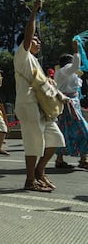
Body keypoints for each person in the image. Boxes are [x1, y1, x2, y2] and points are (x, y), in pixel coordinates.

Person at [13, 0, 65, 192]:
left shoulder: (35, 62)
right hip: (28, 105)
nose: (38, 42)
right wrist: (33, 13)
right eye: (35, 40)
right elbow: (28, 37)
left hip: (42, 108)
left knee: (56, 140)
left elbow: (43, 85)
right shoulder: (21, 55)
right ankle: (30, 180)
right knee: (34, 144)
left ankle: (39, 172)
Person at [54, 40, 88, 169]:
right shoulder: (65, 70)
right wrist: (76, 51)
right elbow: (74, 66)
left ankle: (60, 159)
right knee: (83, 131)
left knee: (64, 131)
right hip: (69, 104)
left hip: (69, 104)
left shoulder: (62, 73)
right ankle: (83, 159)